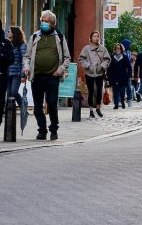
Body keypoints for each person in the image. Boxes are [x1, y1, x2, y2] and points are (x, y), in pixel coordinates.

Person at [23, 10, 71, 140]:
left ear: (53, 24)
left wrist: (60, 70)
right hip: (37, 76)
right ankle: (42, 130)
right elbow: (26, 56)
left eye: (46, 21)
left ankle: (54, 129)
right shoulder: (34, 36)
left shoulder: (59, 37)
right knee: (38, 106)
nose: (43, 23)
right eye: (42, 20)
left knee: (51, 103)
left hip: (52, 77)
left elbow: (67, 58)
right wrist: (27, 68)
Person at [78, 31, 109, 118]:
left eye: (97, 36)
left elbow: (107, 59)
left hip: (99, 73)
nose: (96, 38)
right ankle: (91, 110)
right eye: (94, 36)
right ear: (91, 38)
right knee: (91, 91)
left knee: (99, 91)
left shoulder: (103, 49)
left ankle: (98, 108)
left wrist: (102, 66)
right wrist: (88, 66)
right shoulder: (86, 48)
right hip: (89, 73)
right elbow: (81, 59)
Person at [6, 26, 28, 119]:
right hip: (8, 73)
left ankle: (24, 109)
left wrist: (23, 75)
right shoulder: (8, 44)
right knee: (9, 94)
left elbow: (24, 59)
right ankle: (10, 112)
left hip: (17, 73)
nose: (7, 33)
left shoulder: (22, 45)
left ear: (14, 33)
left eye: (9, 31)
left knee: (14, 92)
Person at [106, 43, 132, 109]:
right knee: (115, 91)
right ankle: (116, 104)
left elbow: (129, 67)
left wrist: (129, 75)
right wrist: (109, 76)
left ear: (121, 49)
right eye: (116, 48)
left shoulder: (124, 57)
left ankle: (122, 102)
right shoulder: (112, 57)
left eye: (119, 48)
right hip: (114, 77)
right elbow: (109, 68)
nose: (118, 49)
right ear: (114, 49)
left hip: (123, 77)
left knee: (122, 91)